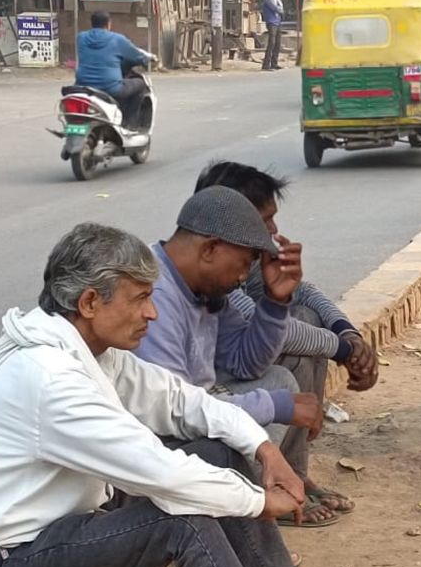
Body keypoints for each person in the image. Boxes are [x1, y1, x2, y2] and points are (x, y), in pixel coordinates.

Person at [0, 223, 311, 567]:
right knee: (183, 523)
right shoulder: (48, 377)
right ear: (89, 303)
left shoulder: (90, 350)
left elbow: (180, 400)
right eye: (140, 299)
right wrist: (256, 501)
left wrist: (263, 447)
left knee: (219, 454)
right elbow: (161, 472)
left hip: (59, 526)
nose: (152, 312)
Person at [134, 186, 341, 528]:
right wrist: (276, 407)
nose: (244, 277)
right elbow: (172, 410)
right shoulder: (156, 296)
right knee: (259, 414)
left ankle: (254, 501)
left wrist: (276, 303)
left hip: (191, 408)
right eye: (243, 264)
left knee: (279, 381)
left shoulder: (202, 289)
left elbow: (247, 364)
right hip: (158, 439)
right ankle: (241, 517)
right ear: (211, 248)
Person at [74, 11, 151, 124]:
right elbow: (137, 56)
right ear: (108, 24)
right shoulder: (118, 39)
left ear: (92, 23)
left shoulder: (81, 37)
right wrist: (147, 60)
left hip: (83, 85)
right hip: (110, 87)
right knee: (141, 84)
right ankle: (129, 123)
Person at [261, 0, 285, 71]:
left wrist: (281, 11)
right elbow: (274, 7)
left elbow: (280, 6)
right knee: (271, 43)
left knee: (277, 43)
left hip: (278, 21)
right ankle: (266, 65)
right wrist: (281, 11)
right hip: (271, 21)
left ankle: (274, 63)